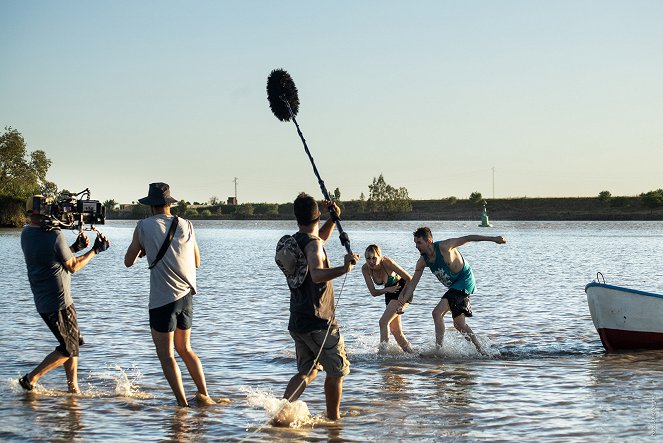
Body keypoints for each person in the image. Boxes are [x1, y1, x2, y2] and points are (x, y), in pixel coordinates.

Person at [124, 182, 215, 407]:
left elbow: (128, 261)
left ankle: (182, 406)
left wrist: (146, 250)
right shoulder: (186, 224)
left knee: (167, 356)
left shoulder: (143, 226)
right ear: (168, 204)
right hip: (187, 297)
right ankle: (205, 396)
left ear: (150, 205)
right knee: (185, 349)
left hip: (163, 300)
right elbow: (197, 262)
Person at [278, 193, 359, 421]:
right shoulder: (313, 246)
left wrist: (333, 220)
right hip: (319, 324)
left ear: (297, 218)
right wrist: (344, 269)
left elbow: (317, 241)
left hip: (299, 322)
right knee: (337, 372)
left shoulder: (299, 240)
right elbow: (316, 274)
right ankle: (334, 423)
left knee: (307, 371)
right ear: (318, 215)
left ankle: (280, 414)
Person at [19, 198, 109, 393]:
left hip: (50, 299)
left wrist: (75, 248)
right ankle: (31, 378)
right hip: (56, 301)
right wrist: (95, 250)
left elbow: (52, 258)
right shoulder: (54, 236)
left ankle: (73, 388)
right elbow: (73, 266)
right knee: (68, 348)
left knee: (74, 343)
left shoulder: (26, 233)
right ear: (44, 213)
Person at [398, 227, 506, 354]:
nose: (416, 246)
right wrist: (402, 303)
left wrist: (494, 239)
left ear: (429, 241)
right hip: (454, 287)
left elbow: (467, 238)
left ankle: (439, 350)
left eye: (419, 242)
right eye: (415, 243)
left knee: (436, 313)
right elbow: (412, 284)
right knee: (459, 325)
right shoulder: (422, 261)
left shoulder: (445, 246)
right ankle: (481, 350)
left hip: (465, 280)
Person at [361, 244, 413, 353]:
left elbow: (409, 278)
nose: (371, 261)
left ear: (380, 256)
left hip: (403, 289)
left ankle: (383, 354)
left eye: (374, 258)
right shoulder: (365, 268)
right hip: (389, 292)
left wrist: (401, 297)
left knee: (383, 322)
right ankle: (413, 354)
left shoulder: (388, 263)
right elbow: (373, 292)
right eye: (368, 258)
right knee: (396, 331)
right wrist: (387, 290)